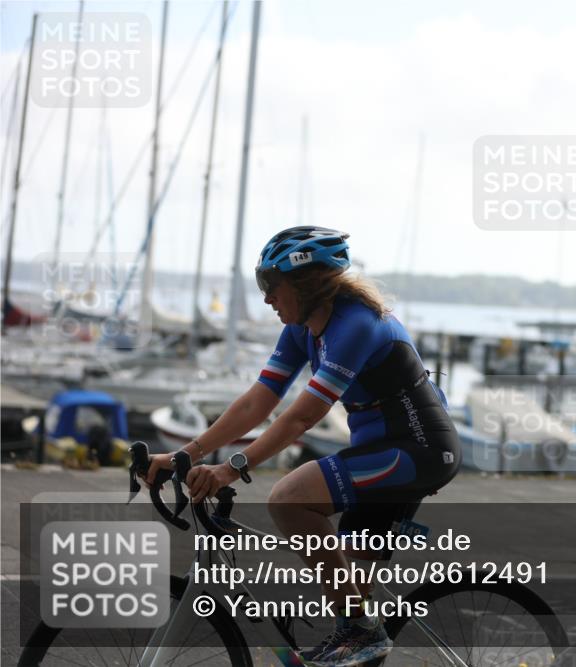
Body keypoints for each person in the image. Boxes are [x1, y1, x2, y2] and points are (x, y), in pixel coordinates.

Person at [145, 226, 461, 666]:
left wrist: (229, 468)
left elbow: (301, 417)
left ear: (305, 282)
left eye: (269, 285)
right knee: (350, 603)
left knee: (289, 500)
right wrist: (186, 453)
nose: (266, 298)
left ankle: (361, 630)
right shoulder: (302, 329)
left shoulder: (357, 324)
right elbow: (259, 401)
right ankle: (360, 634)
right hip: (379, 453)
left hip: (417, 453)